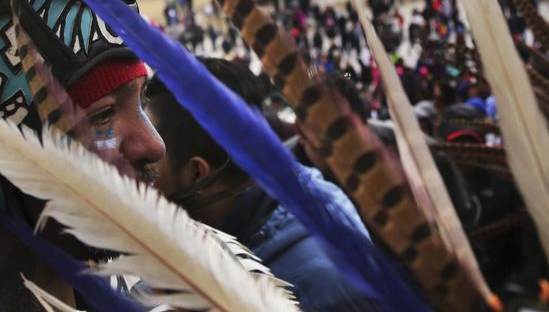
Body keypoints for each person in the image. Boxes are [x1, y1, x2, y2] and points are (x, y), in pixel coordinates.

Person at [145, 59, 383, 312]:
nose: (137, 177)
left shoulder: (323, 289)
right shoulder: (259, 219)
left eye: (149, 165)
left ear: (197, 173)